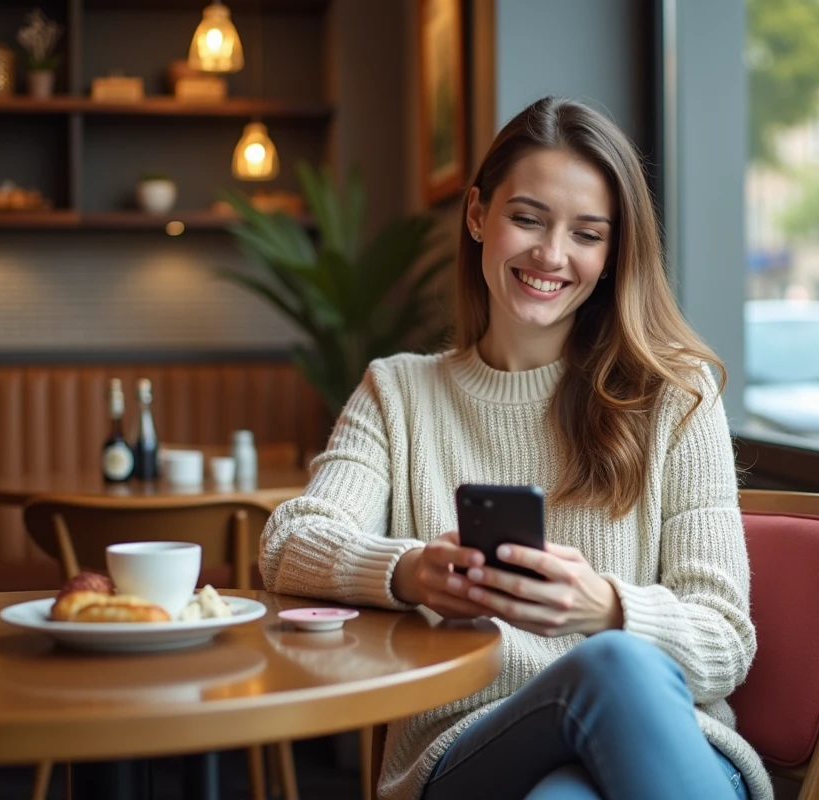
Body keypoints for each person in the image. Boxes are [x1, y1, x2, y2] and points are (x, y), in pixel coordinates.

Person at [260, 96, 769, 800]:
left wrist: (605, 609)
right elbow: (289, 543)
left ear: (613, 252)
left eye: (587, 234)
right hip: (472, 752)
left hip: (659, 749)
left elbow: (725, 639)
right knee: (607, 675)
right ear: (477, 216)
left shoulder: (675, 400)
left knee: (582, 749)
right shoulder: (398, 393)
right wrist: (410, 571)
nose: (551, 255)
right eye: (527, 219)